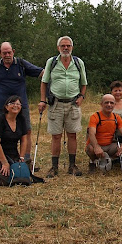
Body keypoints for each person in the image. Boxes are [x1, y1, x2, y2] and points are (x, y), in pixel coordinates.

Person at [0, 42, 43, 168]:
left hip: (20, 106)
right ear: (0, 53)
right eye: (4, 53)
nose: (7, 55)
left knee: (26, 131)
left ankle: (25, 161)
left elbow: (41, 73)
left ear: (13, 51)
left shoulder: (21, 64)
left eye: (9, 52)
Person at [38, 36, 87, 177]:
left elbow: (84, 83)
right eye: (63, 46)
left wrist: (81, 97)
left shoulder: (78, 63)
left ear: (72, 47)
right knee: (56, 136)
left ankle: (72, 166)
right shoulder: (51, 62)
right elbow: (44, 82)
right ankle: (54, 167)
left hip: (73, 104)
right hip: (56, 103)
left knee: (72, 135)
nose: (66, 48)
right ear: (58, 48)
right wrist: (42, 100)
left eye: (68, 46)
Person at [0, 95, 27, 185]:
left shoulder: (21, 119)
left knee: (22, 176)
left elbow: (24, 140)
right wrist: (4, 163)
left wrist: (22, 157)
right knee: (5, 180)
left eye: (18, 104)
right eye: (12, 103)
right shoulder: (0, 120)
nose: (15, 106)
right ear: (6, 107)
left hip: (13, 153)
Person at [86, 94, 122, 173]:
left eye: (111, 103)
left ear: (114, 105)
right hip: (97, 145)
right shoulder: (95, 116)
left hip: (110, 146)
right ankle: (92, 162)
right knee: (90, 148)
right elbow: (91, 134)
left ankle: (110, 159)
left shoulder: (116, 117)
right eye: (106, 103)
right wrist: (96, 147)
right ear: (101, 104)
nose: (109, 105)